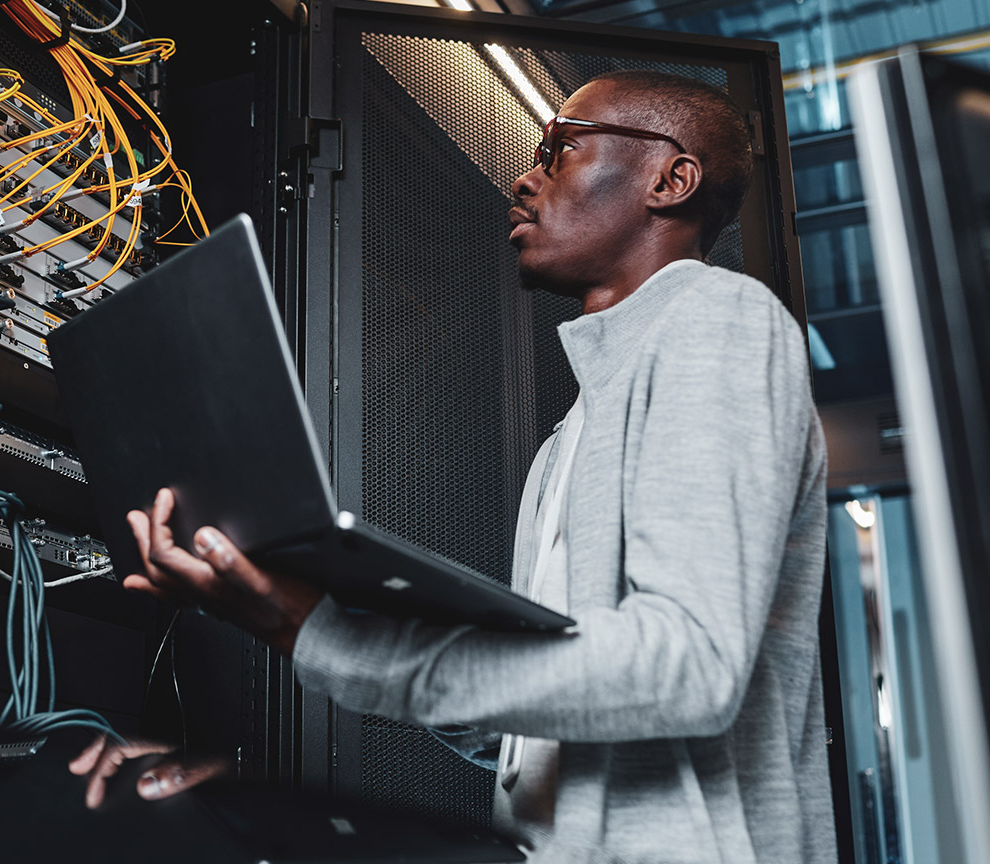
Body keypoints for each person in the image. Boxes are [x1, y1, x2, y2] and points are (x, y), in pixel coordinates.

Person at [74, 69, 835, 863]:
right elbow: (526, 739)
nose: (524, 175)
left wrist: (326, 636)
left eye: (561, 149)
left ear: (671, 179)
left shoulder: (722, 321)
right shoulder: (564, 442)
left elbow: (687, 666)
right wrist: (296, 616)